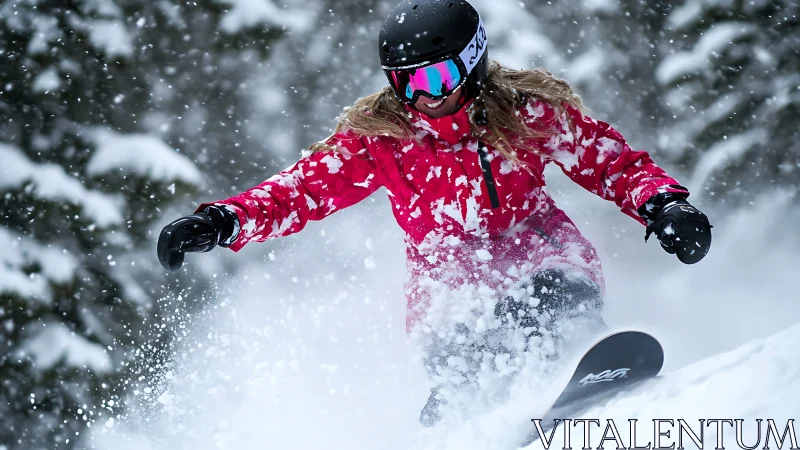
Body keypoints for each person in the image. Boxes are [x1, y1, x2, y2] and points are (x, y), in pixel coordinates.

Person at [157, 0, 712, 427]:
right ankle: (468, 410)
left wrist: (664, 204)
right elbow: (297, 192)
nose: (423, 97)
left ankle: (572, 368)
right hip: (447, 280)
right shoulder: (382, 138)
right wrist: (221, 221)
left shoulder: (526, 114)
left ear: (471, 66)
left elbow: (610, 163)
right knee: (463, 345)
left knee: (551, 297)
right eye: (407, 83)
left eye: (436, 79)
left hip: (539, 248)